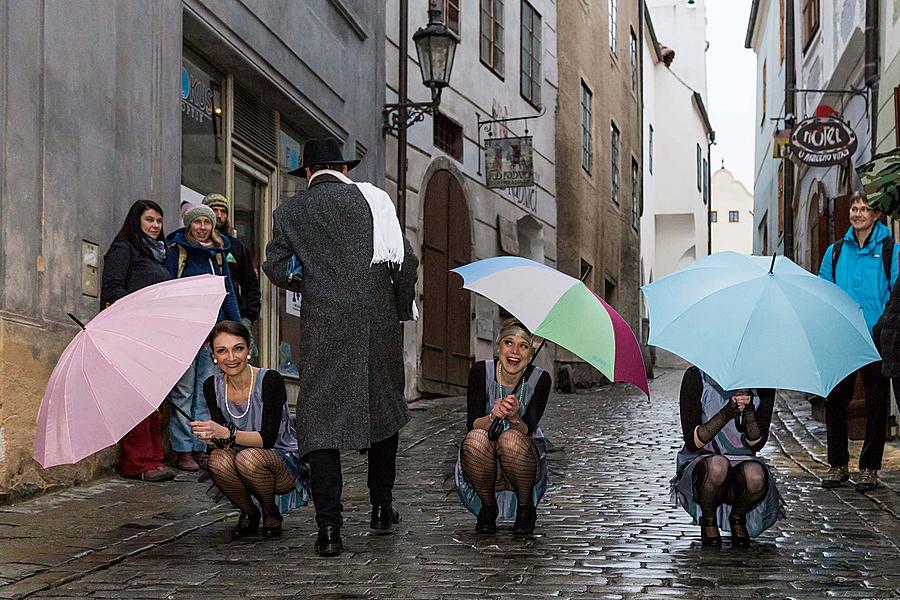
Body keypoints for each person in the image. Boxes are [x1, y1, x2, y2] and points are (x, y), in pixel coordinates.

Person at [262, 137, 418, 557]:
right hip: (377, 324)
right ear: (344, 169)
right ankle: (381, 508)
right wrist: (400, 308)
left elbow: (273, 266)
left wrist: (308, 282)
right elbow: (407, 261)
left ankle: (329, 528)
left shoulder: (291, 212)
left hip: (324, 325)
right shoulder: (375, 201)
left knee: (321, 420)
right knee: (383, 410)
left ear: (309, 173)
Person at [190, 321, 309, 539]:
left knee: (248, 458)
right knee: (216, 460)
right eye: (222, 351)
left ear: (249, 350)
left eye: (238, 348)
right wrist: (211, 438)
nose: (231, 358)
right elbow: (223, 440)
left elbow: (268, 439)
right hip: (239, 457)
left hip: (281, 460)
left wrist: (225, 433)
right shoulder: (211, 386)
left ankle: (270, 511)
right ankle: (249, 512)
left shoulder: (270, 379)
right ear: (214, 356)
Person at [818, 191, 897, 492]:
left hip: (876, 336)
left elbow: (896, 291)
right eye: (854, 208)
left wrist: (883, 326)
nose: (858, 213)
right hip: (842, 336)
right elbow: (825, 290)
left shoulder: (890, 248)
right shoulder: (836, 251)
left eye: (865, 209)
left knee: (877, 404)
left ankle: (869, 468)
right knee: (835, 400)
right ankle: (837, 464)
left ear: (876, 215)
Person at [100, 200, 175, 483]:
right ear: (136, 221)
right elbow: (111, 289)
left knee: (153, 399)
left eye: (159, 220)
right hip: (131, 333)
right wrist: (141, 307)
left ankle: (154, 459)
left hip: (153, 334)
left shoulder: (157, 255)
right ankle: (137, 463)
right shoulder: (124, 249)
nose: (155, 226)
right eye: (149, 220)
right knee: (136, 399)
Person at [455, 319, 552, 535]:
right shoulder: (480, 371)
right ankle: (487, 507)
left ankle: (525, 508)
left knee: (510, 440)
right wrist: (494, 415)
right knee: (475, 440)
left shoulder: (540, 380)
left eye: (523, 346)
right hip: (484, 455)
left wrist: (515, 417)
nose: (514, 351)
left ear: (530, 354)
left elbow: (529, 428)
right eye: (509, 342)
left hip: (522, 456)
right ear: (498, 346)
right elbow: (472, 423)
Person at [166, 203, 241, 472]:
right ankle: (182, 448)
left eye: (207, 223)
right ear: (190, 224)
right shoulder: (179, 251)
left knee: (205, 392)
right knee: (184, 391)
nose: (202, 227)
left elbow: (228, 291)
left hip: (214, 334)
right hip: (186, 331)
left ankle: (200, 446)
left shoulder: (220, 255)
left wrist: (236, 326)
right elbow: (168, 287)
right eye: (198, 222)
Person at [672, 366, 784, 547]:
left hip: (743, 458)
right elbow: (693, 443)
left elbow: (757, 444)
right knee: (717, 466)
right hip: (704, 457)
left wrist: (748, 413)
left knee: (755, 476)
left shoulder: (763, 384)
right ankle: (708, 521)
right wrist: (726, 413)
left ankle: (737, 516)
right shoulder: (696, 377)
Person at [202, 194, 262, 328]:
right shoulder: (194, 245)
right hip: (202, 315)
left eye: (223, 211)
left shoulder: (236, 247)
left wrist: (247, 318)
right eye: (214, 210)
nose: (219, 215)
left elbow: (251, 286)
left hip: (233, 317)